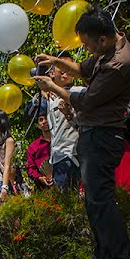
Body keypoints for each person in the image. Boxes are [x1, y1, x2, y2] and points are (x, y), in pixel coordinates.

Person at [34, 6, 130, 259]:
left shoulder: (120, 63)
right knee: (94, 201)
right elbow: (82, 69)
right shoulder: (108, 50)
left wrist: (53, 87)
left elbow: (86, 99)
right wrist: (55, 60)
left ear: (102, 40)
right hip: (93, 134)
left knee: (101, 200)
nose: (87, 50)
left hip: (104, 136)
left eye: (88, 44)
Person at [46, 57, 84, 190]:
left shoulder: (80, 91)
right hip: (56, 156)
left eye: (69, 68)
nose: (65, 72)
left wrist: (69, 114)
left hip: (73, 154)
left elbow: (89, 122)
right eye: (61, 68)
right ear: (51, 73)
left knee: (71, 201)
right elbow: (30, 110)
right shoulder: (49, 97)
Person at [26, 110, 53, 189]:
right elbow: (30, 168)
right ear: (38, 125)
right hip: (44, 187)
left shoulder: (61, 141)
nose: (44, 121)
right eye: (41, 120)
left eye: (46, 118)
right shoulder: (33, 147)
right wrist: (40, 178)